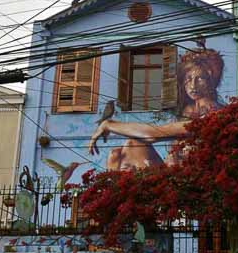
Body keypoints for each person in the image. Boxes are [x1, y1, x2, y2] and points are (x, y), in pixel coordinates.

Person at [88, 48, 224, 170]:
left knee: (132, 145)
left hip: (191, 180)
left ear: (211, 80)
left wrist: (109, 125)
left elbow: (153, 134)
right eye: (188, 79)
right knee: (115, 155)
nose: (192, 85)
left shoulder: (213, 114)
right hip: (176, 173)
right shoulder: (188, 110)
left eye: (200, 78)